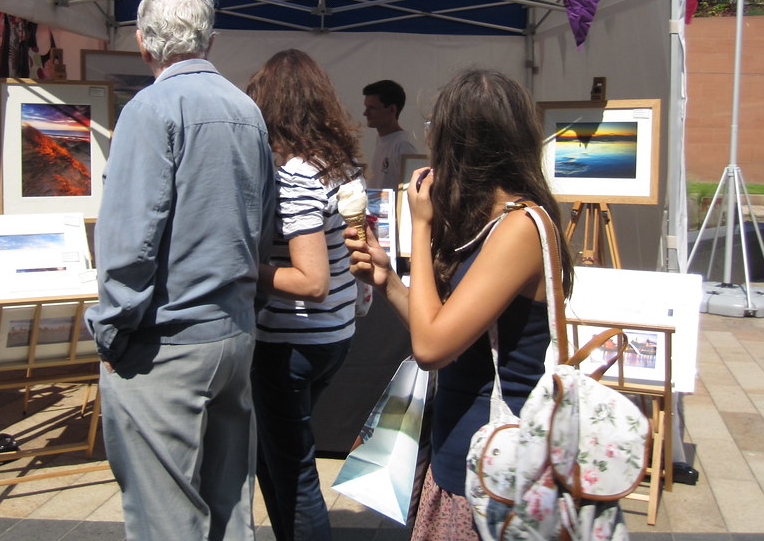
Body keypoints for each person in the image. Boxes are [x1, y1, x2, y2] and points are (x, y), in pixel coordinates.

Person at [344, 69, 574, 540]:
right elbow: (445, 334)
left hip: (494, 468)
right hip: (463, 455)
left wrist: (421, 227)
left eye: (436, 133)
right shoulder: (491, 222)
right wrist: (387, 278)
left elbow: (430, 348)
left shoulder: (520, 228)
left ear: (462, 144)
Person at [85, 0, 276, 541]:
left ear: (143, 44)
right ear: (210, 41)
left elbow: (129, 241)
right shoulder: (246, 109)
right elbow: (262, 226)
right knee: (227, 508)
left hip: (166, 341)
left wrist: (113, 329)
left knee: (166, 518)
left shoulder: (149, 109)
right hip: (232, 333)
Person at [245, 49, 363, 541]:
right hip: (334, 334)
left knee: (292, 469)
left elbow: (309, 281)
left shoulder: (294, 174)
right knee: (273, 458)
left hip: (291, 341)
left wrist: (244, 270)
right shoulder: (340, 164)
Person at [362, 79, 419, 190]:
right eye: (366, 107)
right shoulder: (381, 139)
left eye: (372, 108)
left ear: (392, 109)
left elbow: (412, 191)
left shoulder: (403, 146)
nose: (365, 113)